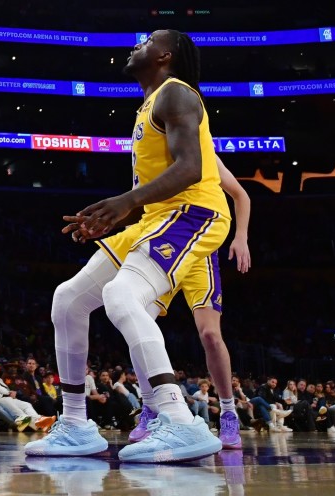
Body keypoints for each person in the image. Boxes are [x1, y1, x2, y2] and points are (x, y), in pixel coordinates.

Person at [27, 30, 226, 463]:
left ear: (165, 55)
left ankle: (179, 420)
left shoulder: (177, 94)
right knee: (68, 300)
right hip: (157, 218)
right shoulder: (150, 103)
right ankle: (77, 424)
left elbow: (191, 169)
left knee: (121, 294)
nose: (137, 45)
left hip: (195, 212)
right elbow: (155, 187)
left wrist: (126, 202)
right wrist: (113, 216)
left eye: (147, 41)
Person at [128, 156, 252, 450]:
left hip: (198, 251)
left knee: (210, 334)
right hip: (163, 247)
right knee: (136, 318)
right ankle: (150, 406)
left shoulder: (202, 151)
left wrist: (242, 236)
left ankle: (228, 410)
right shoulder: (154, 149)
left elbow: (240, 194)